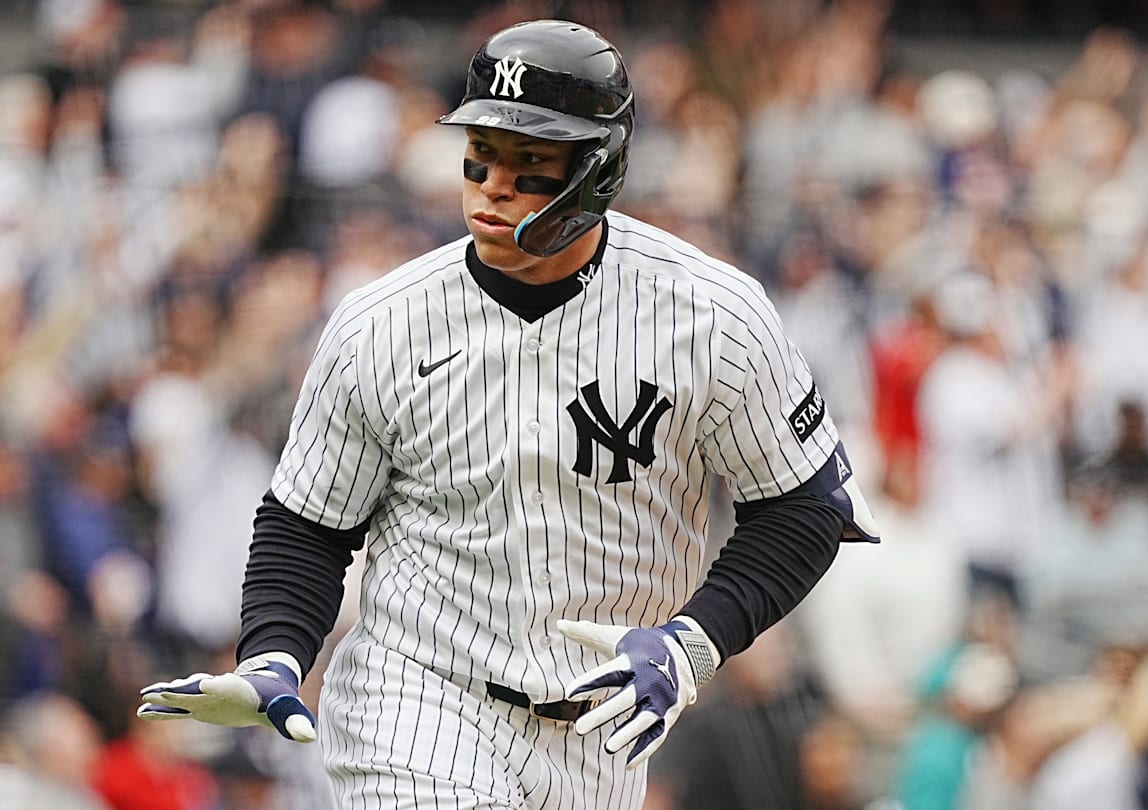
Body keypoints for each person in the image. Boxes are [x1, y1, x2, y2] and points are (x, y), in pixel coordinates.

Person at [133, 19, 878, 810]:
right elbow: (309, 521)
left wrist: (695, 641)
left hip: (602, 735)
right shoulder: (380, 321)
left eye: (529, 163)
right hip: (414, 702)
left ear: (597, 172)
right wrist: (275, 652)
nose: (492, 184)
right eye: (481, 154)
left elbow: (806, 505)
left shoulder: (711, 315)